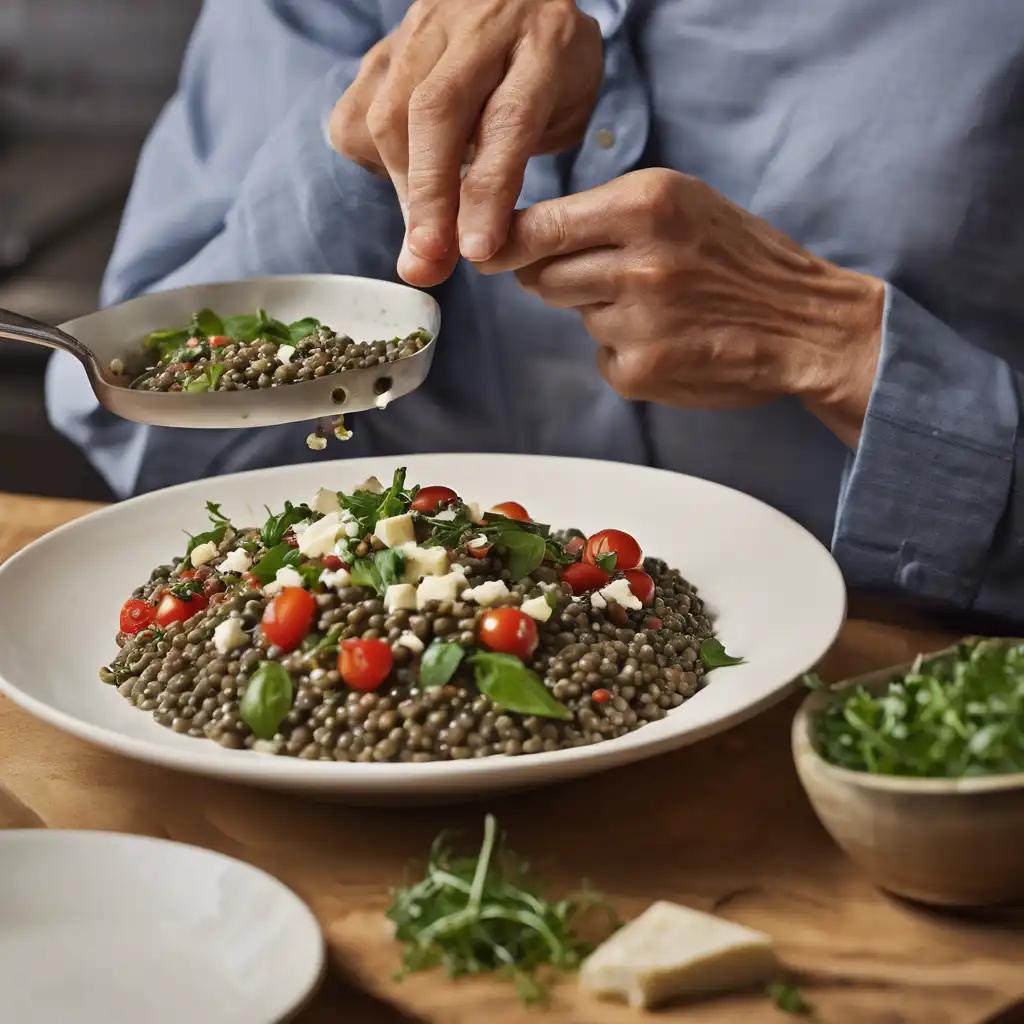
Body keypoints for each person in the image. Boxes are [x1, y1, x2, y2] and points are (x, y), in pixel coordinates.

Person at [46, 0, 1024, 622]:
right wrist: (370, 123)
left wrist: (840, 350)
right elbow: (131, 430)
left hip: (884, 758)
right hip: (349, 762)